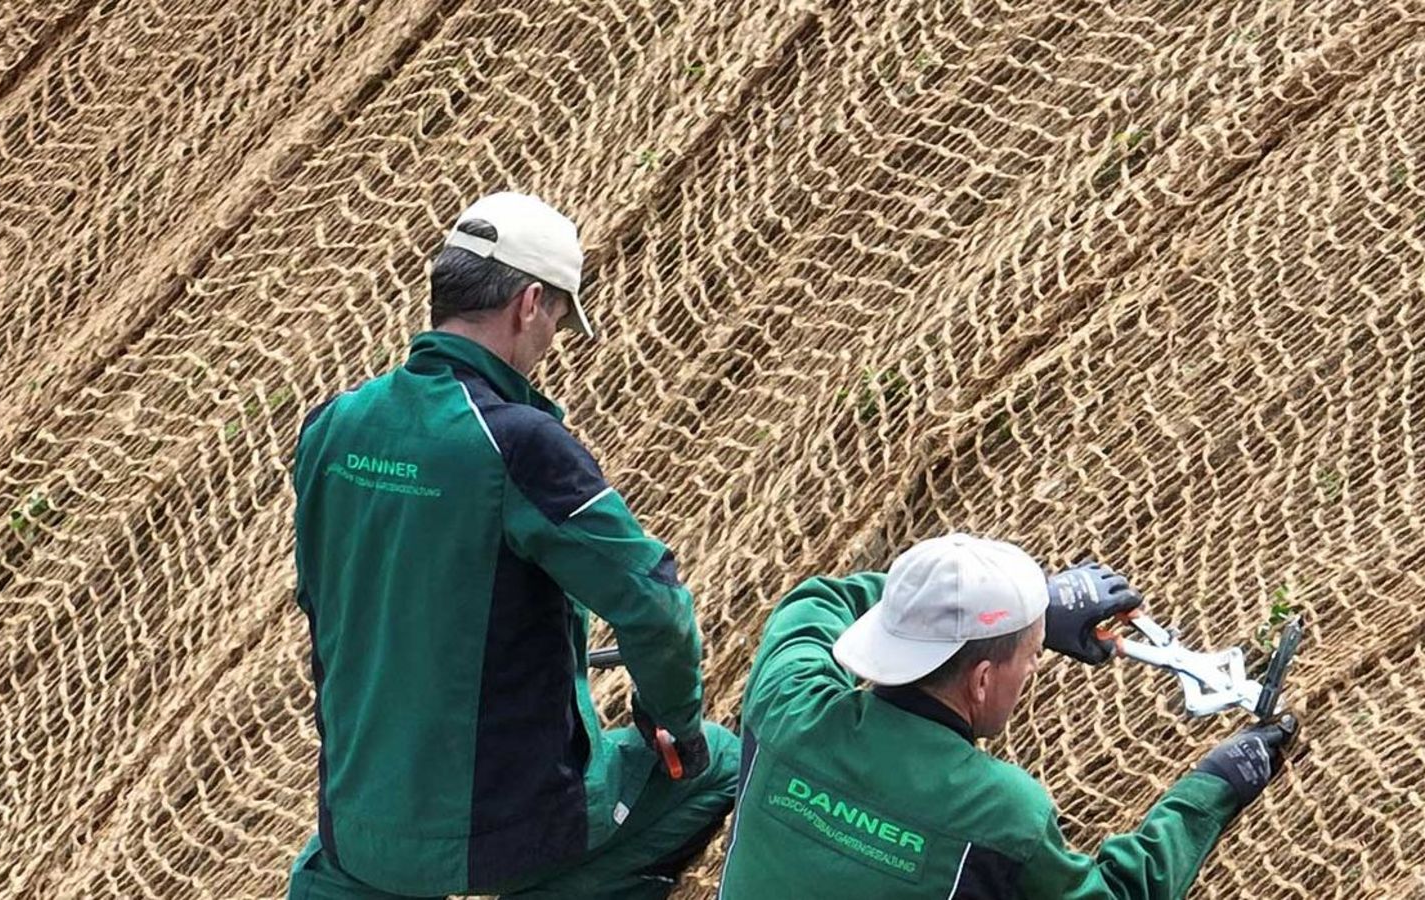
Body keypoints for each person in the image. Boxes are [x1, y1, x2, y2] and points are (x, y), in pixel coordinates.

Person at [286, 192, 738, 899]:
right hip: (503, 832)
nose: (551, 339)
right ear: (529, 303)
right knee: (719, 766)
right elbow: (653, 606)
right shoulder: (520, 444)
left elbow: (321, 596)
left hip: (359, 823)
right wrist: (672, 723)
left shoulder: (332, 427)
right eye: (557, 317)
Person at [717, 533, 1300, 898]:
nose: (1037, 666)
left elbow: (816, 602)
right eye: (1032, 653)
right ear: (982, 679)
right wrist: (1211, 789)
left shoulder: (786, 704)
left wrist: (1020, 605)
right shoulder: (1001, 815)